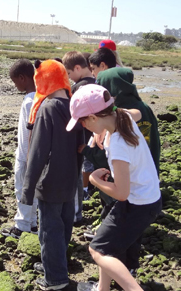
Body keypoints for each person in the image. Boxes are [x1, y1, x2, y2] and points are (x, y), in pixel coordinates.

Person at [66, 84, 162, 291]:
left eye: (83, 122)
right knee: (105, 243)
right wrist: (101, 133)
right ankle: (103, 288)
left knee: (98, 251)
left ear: (93, 118)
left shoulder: (118, 144)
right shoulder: (122, 118)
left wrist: (95, 180)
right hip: (148, 197)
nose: (83, 127)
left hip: (137, 204)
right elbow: (136, 112)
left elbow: (121, 192)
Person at [21, 59, 84, 290]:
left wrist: (27, 190)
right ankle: (55, 265)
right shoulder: (74, 107)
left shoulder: (47, 108)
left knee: (49, 231)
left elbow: (38, 152)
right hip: (70, 179)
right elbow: (81, 146)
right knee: (64, 227)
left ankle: (55, 280)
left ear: (44, 80)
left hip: (50, 182)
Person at [1, 58, 38, 239]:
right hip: (32, 154)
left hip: (26, 155)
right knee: (32, 191)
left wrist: (28, 156)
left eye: (15, 81)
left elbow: (30, 131)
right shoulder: (39, 97)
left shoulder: (30, 101)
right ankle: (31, 224)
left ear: (23, 78)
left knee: (22, 189)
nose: (15, 85)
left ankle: (22, 225)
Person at [62, 51, 96, 223]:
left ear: (77, 68)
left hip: (81, 138)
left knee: (76, 174)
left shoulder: (78, 88)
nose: (69, 78)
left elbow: (74, 117)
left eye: (69, 73)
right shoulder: (99, 84)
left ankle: (76, 213)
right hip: (96, 137)